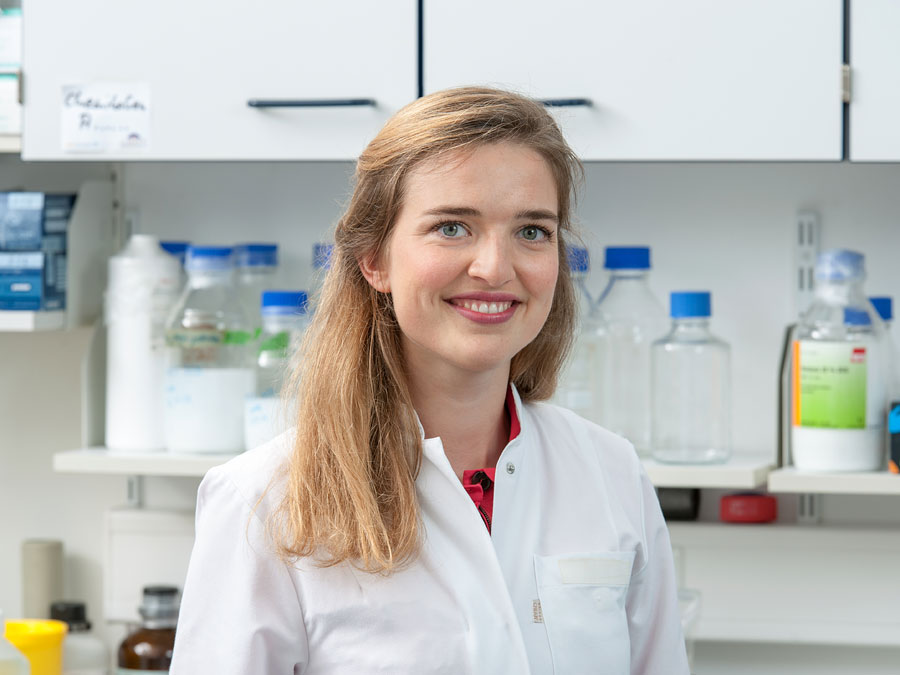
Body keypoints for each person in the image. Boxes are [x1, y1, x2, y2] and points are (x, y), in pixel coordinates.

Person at [170, 86, 689, 674]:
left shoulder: (611, 473)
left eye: (532, 231)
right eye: (451, 227)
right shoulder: (263, 502)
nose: (495, 268)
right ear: (375, 259)